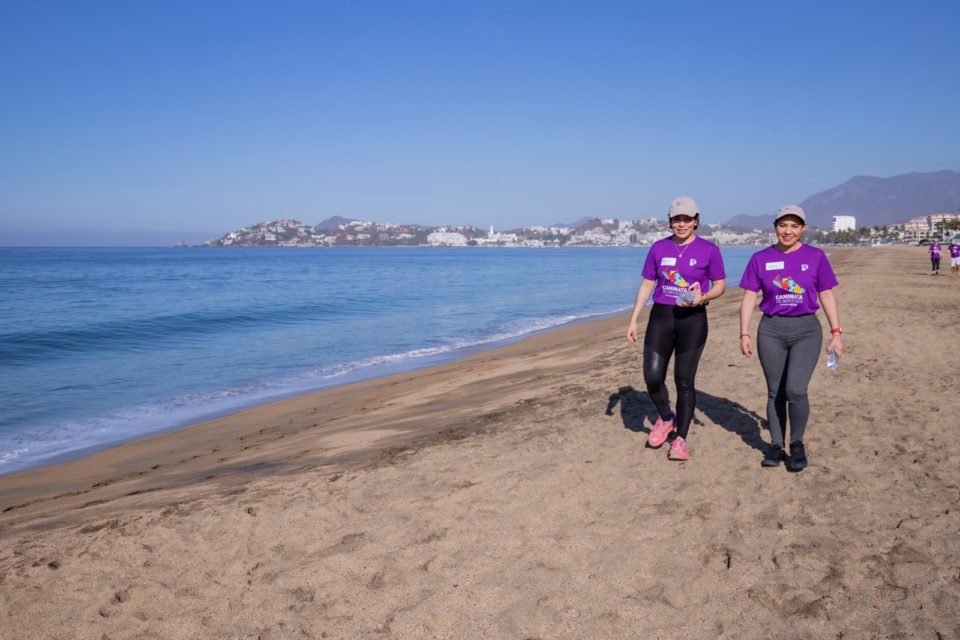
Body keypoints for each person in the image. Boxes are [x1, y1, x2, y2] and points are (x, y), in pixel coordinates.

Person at [738, 205, 843, 471]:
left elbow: (827, 294)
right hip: (771, 330)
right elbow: (750, 296)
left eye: (794, 226)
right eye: (783, 225)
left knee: (795, 389)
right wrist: (744, 333)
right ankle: (776, 444)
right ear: (775, 227)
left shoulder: (816, 257)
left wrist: (836, 333)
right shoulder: (760, 259)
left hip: (806, 330)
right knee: (775, 391)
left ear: (803, 229)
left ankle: (796, 443)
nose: (788, 231)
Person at [627, 196, 726, 461]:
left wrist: (702, 297)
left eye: (687, 219)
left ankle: (680, 439)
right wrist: (634, 317)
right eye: (676, 219)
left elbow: (720, 285)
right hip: (661, 316)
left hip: (692, 320)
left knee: (684, 380)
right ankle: (665, 418)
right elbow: (648, 284)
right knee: (652, 376)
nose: (681, 224)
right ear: (669, 221)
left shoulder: (709, 250)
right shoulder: (659, 248)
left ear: (696, 221)